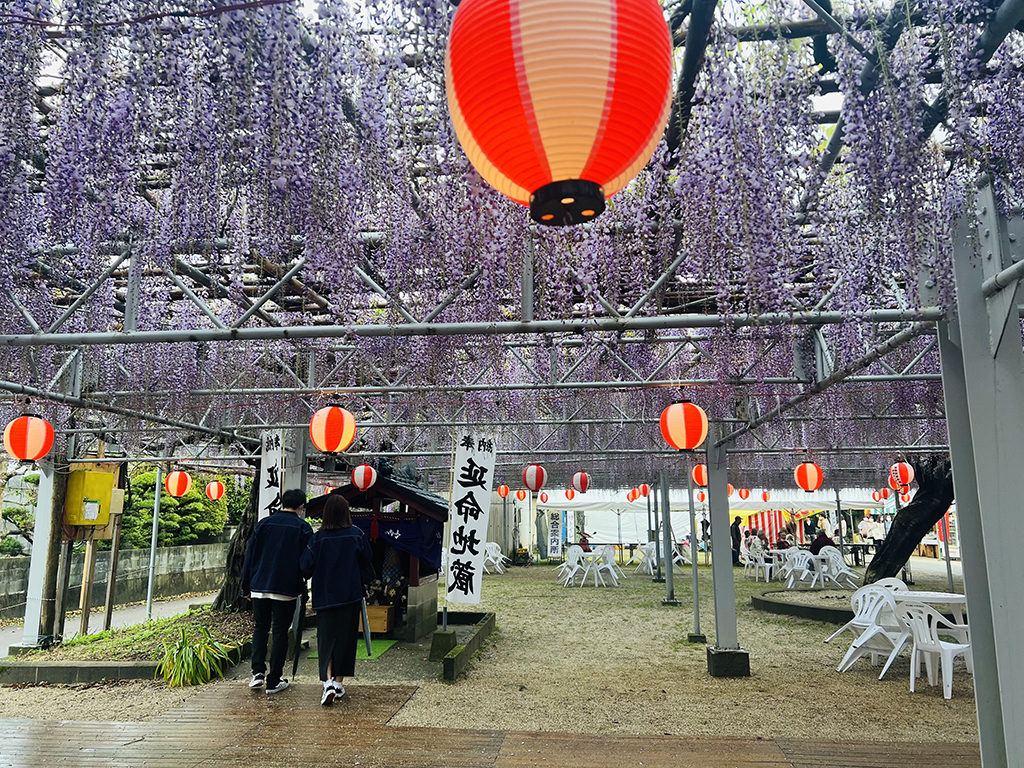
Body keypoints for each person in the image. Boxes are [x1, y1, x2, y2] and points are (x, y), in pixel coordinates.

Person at [300, 494, 376, 706]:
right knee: (346, 640)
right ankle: (339, 683)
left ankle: (327, 683)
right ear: (346, 512)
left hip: (324, 596)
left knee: (326, 640)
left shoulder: (317, 538)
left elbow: (305, 566)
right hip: (350, 595)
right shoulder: (356, 534)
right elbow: (368, 560)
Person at [241, 488, 313, 694]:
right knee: (281, 631)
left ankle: (257, 673)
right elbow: (307, 563)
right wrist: (304, 584)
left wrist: (247, 585)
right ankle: (274, 680)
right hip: (286, 588)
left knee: (260, 628)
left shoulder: (263, 524)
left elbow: (250, 556)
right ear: (301, 507)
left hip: (259, 585)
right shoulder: (303, 527)